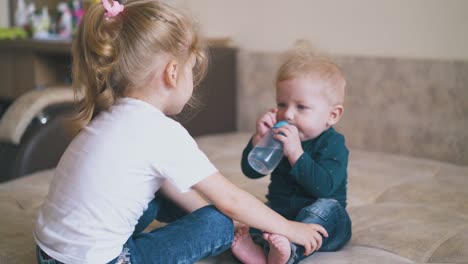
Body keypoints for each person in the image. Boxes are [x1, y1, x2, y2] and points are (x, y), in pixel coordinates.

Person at [33, 1, 328, 263]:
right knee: (219, 222)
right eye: (191, 70)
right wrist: (290, 228)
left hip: (47, 254)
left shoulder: (109, 116)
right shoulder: (160, 131)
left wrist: (227, 217)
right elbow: (231, 200)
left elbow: (172, 187)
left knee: (167, 194)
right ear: (172, 72)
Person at [231, 42, 352, 264]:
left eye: (301, 107)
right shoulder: (278, 138)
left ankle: (289, 249)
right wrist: (259, 141)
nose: (288, 114)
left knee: (329, 211)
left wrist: (296, 153)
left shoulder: (334, 143)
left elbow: (324, 187)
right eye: (282, 104)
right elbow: (251, 172)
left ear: (332, 115)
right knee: (253, 213)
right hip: (282, 216)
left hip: (320, 219)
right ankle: (262, 250)